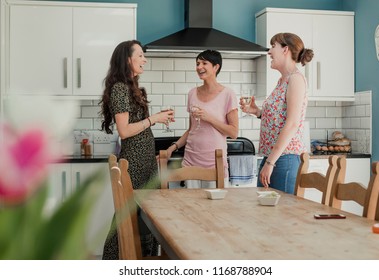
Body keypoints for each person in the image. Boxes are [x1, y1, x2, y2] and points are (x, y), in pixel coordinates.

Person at [99, 40, 173, 259]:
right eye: (140, 55)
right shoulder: (120, 88)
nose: (145, 59)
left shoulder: (133, 88)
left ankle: (143, 259)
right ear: (127, 59)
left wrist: (156, 119)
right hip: (134, 161)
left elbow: (136, 124)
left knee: (145, 215)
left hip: (145, 159)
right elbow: (124, 131)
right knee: (129, 214)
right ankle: (116, 260)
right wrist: (154, 119)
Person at [240, 32, 314, 194]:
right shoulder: (282, 80)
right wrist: (257, 112)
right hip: (273, 157)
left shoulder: (296, 79)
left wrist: (270, 163)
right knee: (266, 214)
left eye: (273, 46)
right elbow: (280, 117)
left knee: (282, 215)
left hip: (285, 158)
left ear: (285, 49)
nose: (269, 52)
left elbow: (293, 123)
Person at [165, 50, 239, 188]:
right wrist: (172, 148)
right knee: (191, 206)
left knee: (214, 208)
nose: (199, 67)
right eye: (197, 63)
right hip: (190, 160)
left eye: (204, 63)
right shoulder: (192, 93)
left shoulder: (227, 94)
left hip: (214, 162)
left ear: (216, 67)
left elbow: (234, 133)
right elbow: (191, 130)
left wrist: (209, 118)